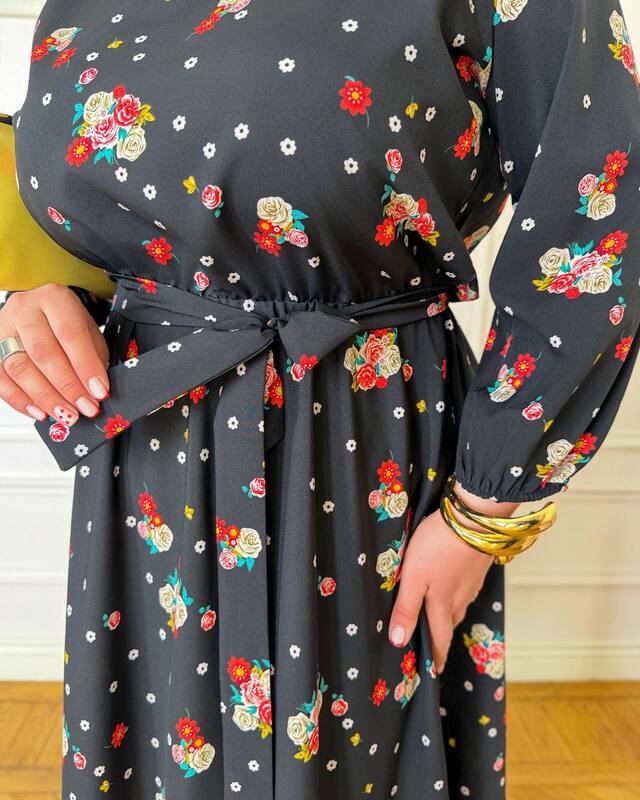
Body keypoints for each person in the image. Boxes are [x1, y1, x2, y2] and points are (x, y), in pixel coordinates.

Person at [0, 1, 638, 797]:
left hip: (363, 452)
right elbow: (62, 178)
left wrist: (484, 515)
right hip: (147, 464)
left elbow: (596, 205)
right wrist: (27, 295)